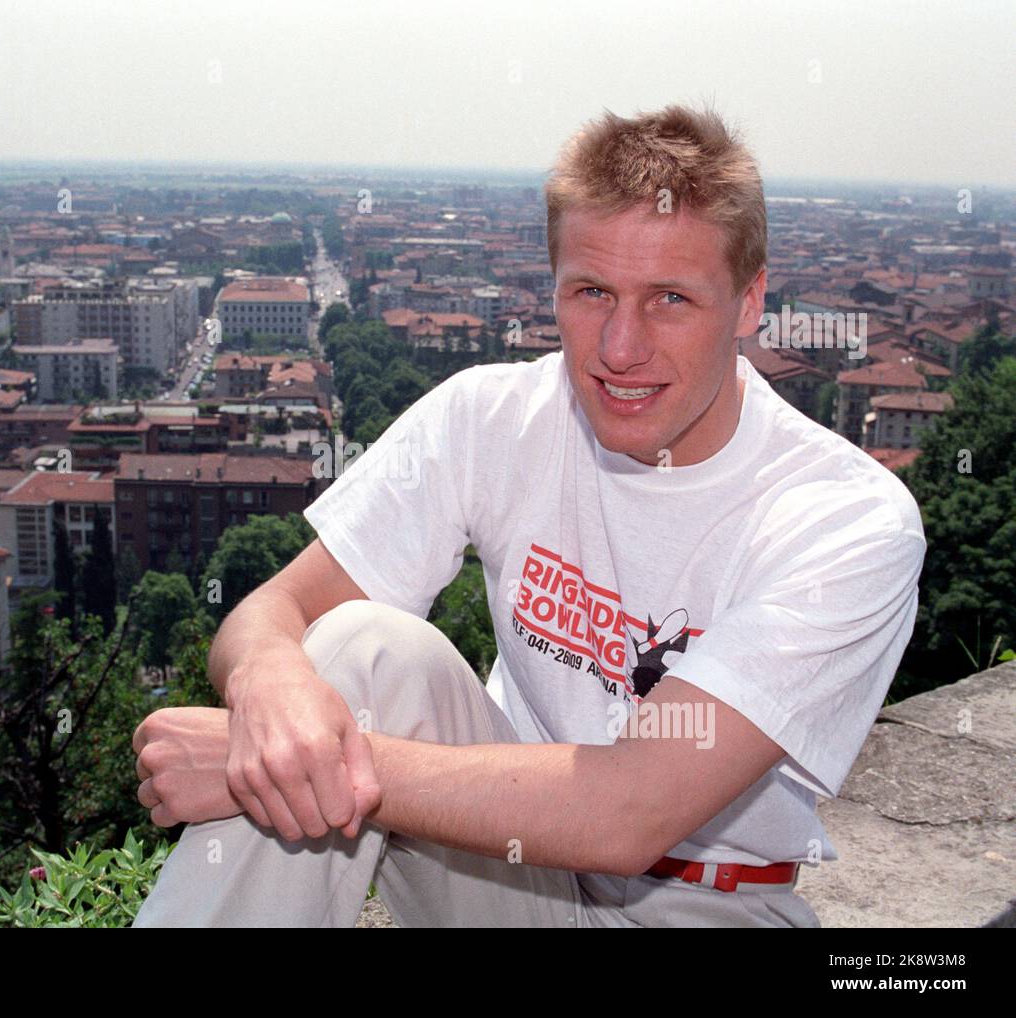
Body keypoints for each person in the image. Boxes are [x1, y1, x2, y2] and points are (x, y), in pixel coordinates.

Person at [130, 104, 926, 927]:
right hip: (508, 871)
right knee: (362, 648)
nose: (620, 347)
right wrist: (268, 697)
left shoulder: (843, 519)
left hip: (704, 908)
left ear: (750, 301)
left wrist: (286, 766)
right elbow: (274, 611)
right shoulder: (492, 416)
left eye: (671, 299)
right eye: (592, 292)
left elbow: (626, 815)